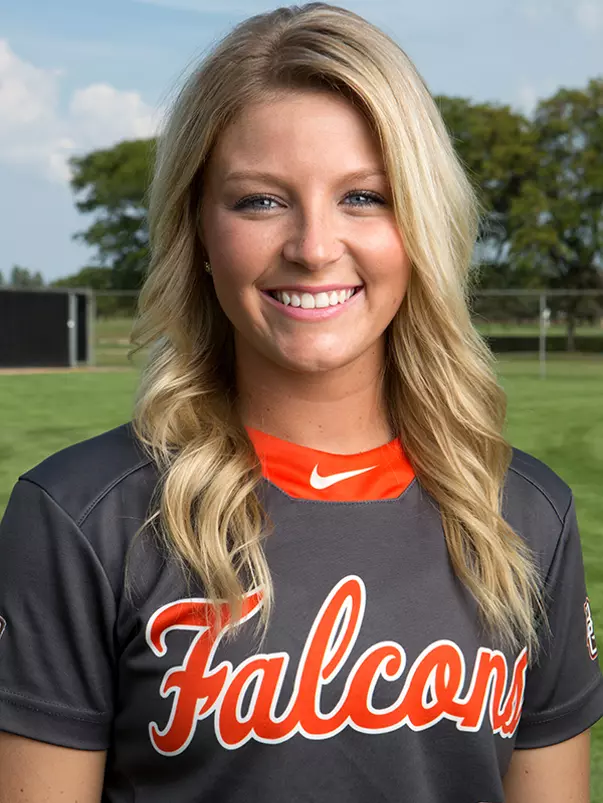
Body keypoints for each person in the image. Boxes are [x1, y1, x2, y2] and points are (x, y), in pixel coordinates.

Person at [0, 3, 601, 801]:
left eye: (364, 196)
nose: (314, 247)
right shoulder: (81, 516)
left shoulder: (525, 517)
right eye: (259, 200)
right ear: (199, 235)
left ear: (421, 224)